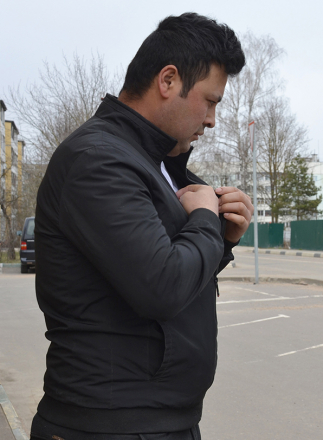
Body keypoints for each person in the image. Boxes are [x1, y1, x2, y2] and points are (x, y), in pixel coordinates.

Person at [31, 13, 251, 440]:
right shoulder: (98, 160)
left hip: (156, 420)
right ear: (167, 80)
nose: (211, 120)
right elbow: (161, 285)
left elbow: (167, 274)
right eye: (210, 101)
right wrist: (205, 218)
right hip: (109, 425)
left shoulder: (153, 164)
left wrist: (221, 240)